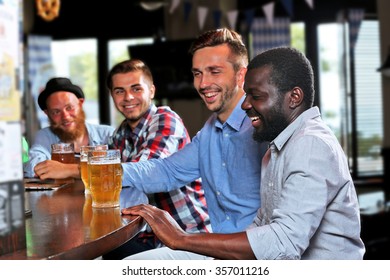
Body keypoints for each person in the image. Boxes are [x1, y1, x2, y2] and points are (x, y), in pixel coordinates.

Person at [122, 46, 366, 260]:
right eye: (198, 73)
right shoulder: (278, 143)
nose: (246, 104)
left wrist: (181, 238)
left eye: (256, 96)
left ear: (294, 97)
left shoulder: (310, 145)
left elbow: (283, 243)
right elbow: (261, 224)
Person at [118, 28, 268, 259]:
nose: (203, 83)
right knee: (125, 265)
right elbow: (166, 171)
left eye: (214, 71)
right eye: (197, 73)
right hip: (216, 248)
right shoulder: (209, 131)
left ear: (241, 76)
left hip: (258, 254)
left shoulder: (265, 127)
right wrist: (103, 171)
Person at [102, 58, 211, 259]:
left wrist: (86, 170)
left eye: (136, 89)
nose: (128, 97)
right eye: (119, 91)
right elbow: (110, 186)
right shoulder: (120, 133)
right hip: (148, 235)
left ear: (151, 91)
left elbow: (148, 172)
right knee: (103, 255)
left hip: (189, 234)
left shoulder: (164, 119)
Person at [24, 77, 115, 179]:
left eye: (69, 108)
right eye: (56, 112)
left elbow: (122, 169)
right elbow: (33, 169)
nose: (65, 116)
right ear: (47, 113)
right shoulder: (45, 136)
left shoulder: (108, 134)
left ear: (80, 104)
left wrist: (66, 169)